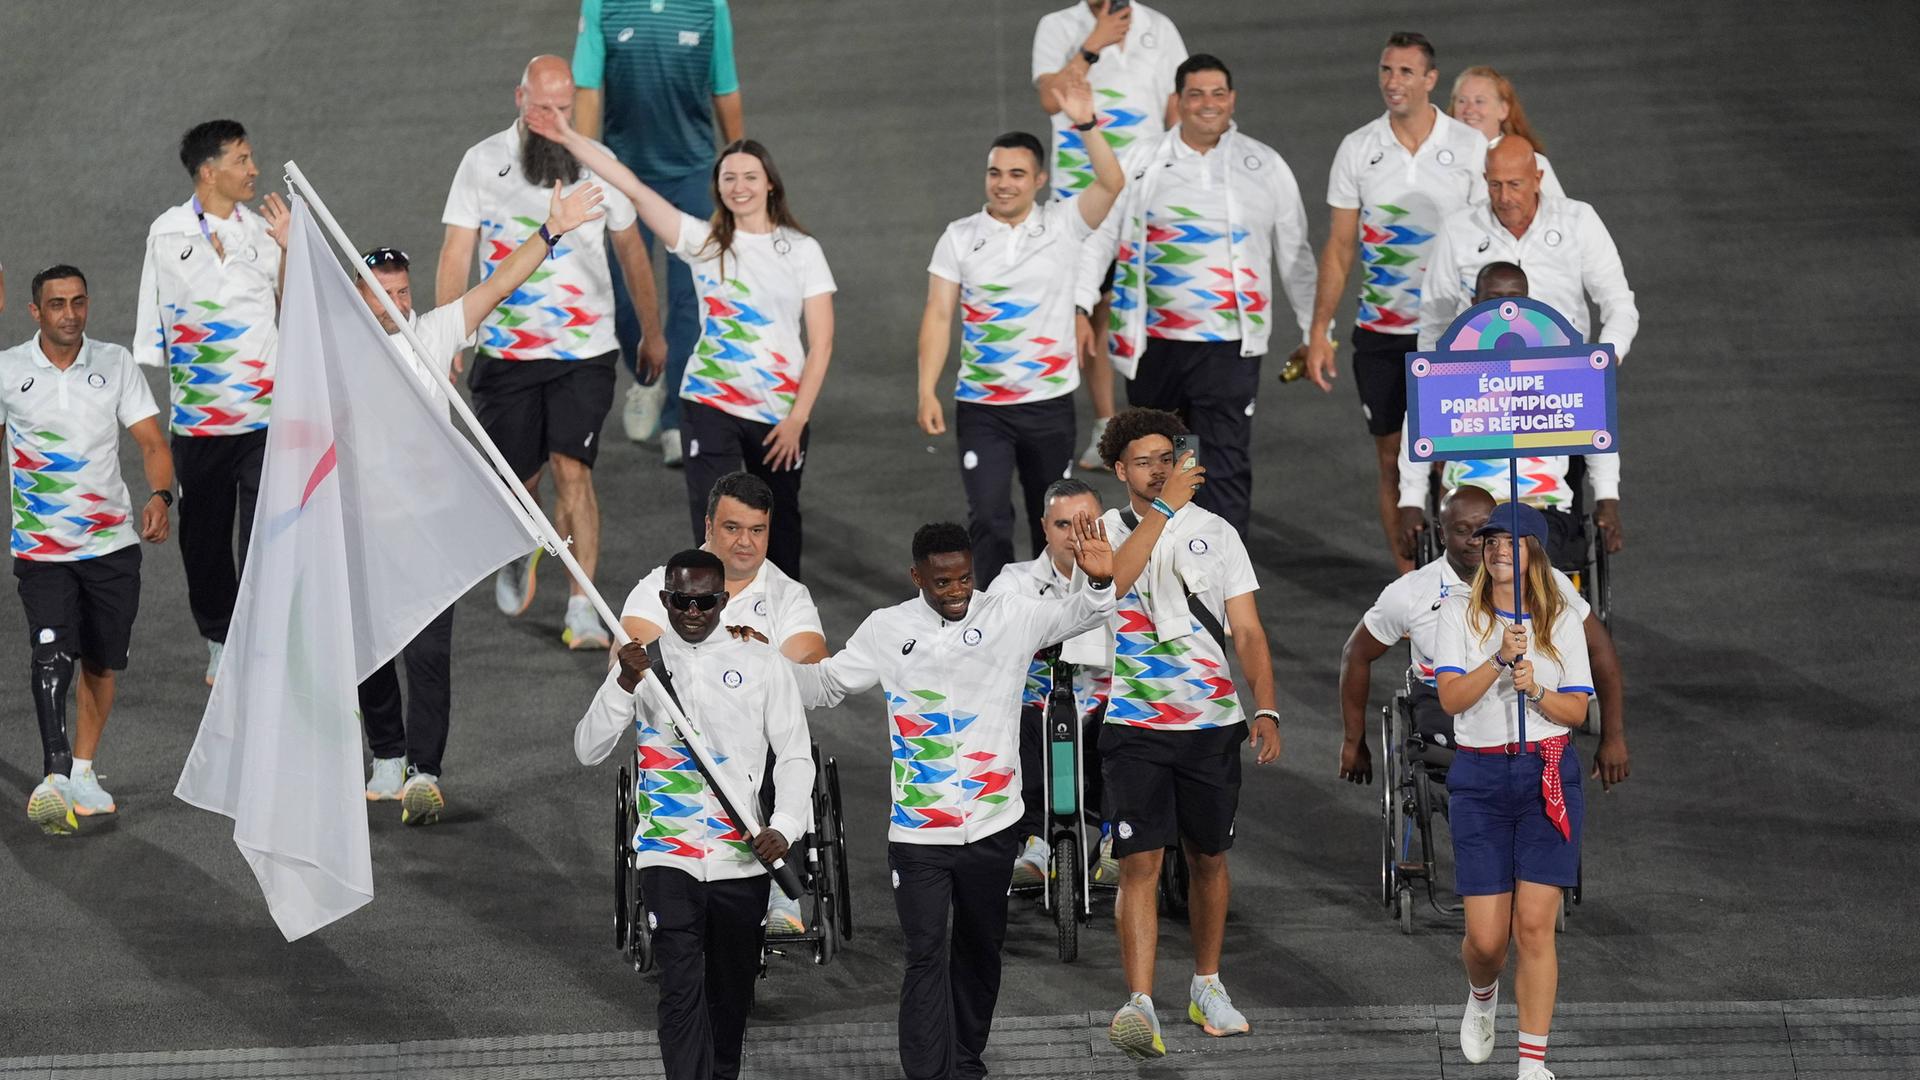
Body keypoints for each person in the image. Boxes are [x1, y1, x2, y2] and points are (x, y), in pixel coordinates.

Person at [792, 519, 1119, 1080]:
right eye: (941, 583)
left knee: (978, 951)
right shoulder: (886, 629)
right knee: (923, 955)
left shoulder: (1008, 615)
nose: (956, 592)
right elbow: (825, 685)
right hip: (919, 836)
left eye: (964, 579)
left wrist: (1097, 582)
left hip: (993, 828)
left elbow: (1082, 616)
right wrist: (758, 669)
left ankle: (964, 1061)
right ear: (916, 577)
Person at [352, 180, 607, 824]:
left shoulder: (432, 336)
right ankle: (386, 755)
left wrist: (549, 233)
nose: (399, 300)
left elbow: (497, 286)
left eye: (405, 289)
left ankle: (424, 772)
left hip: (430, 530)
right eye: (384, 290)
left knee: (429, 654)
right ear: (359, 295)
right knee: (370, 650)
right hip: (363, 531)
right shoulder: (340, 353)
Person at [527, 108, 834, 580]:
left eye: (750, 176)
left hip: (779, 415)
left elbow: (823, 344)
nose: (739, 186)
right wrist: (568, 136)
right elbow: (633, 188)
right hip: (708, 403)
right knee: (716, 533)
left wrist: (797, 419)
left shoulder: (802, 250)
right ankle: (716, 634)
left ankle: (779, 638)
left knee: (781, 532)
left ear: (770, 183)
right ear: (718, 186)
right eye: (729, 177)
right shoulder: (704, 241)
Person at [437, 55, 663, 651]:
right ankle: (523, 539)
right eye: (543, 108)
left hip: (585, 351)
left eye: (565, 109)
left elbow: (633, 251)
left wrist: (652, 330)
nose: (555, 120)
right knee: (518, 480)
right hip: (507, 354)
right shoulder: (482, 162)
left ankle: (583, 606)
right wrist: (449, 330)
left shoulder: (599, 163)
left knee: (574, 471)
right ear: (519, 98)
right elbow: (458, 251)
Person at [574, 549, 813, 1080]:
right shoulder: (642, 665)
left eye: (706, 601)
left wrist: (786, 826)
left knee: (729, 999)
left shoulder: (762, 663)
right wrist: (622, 684)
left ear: (724, 601)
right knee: (680, 990)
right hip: (668, 853)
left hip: (742, 859)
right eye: (682, 600)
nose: (694, 611)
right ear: (665, 600)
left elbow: (796, 755)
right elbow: (586, 749)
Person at [1090, 406, 1280, 1057]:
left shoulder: (1218, 533)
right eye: (1143, 461)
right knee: (1139, 864)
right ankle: (1140, 1001)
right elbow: (1112, 581)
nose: (1158, 469)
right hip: (1135, 725)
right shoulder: (1101, 532)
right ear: (1120, 470)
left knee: (1208, 858)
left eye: (1167, 458)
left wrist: (1267, 707)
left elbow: (1247, 630)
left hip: (1210, 727)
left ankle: (1206, 985)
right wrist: (1164, 512)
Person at [1076, 53, 1317, 538]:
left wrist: (1316, 331)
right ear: (1178, 101)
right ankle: (1159, 574)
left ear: (1232, 100)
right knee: (1155, 467)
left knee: (1222, 468)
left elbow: (1295, 253)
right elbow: (1101, 234)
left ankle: (1224, 591)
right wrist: (1080, 303)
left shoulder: (1264, 165)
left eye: (1218, 94)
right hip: (1154, 345)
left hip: (1228, 348)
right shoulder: (1142, 160)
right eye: (1196, 94)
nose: (1208, 104)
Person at [917, 76, 1125, 588]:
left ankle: (1057, 627)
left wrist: (1086, 123)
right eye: (994, 173)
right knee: (988, 519)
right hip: (982, 409)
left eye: (1016, 173)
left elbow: (1112, 183)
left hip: (1048, 405)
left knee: (1052, 521)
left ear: (1039, 179)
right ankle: (993, 622)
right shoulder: (959, 237)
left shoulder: (1063, 223)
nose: (1003, 183)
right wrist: (926, 388)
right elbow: (939, 315)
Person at [1301, 32, 1488, 572]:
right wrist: (1320, 331)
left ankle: (1464, 577)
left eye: (1406, 72)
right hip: (1380, 334)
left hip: (1454, 336)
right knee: (1390, 461)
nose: (1393, 82)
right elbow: (1339, 248)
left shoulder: (1470, 148)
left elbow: (1485, 243)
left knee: (1449, 462)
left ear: (1431, 81)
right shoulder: (1358, 148)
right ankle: (1412, 587)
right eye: (1386, 70)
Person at [620, 469, 826, 932]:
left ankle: (777, 881)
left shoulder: (788, 596)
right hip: (679, 743)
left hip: (750, 737)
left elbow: (811, 667)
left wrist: (755, 656)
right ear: (709, 526)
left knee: (776, 741)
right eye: (732, 528)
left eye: (758, 530)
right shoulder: (663, 587)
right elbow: (630, 658)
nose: (746, 543)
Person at [5, 266, 173, 833]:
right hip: (42, 551)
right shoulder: (7, 372)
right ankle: (53, 774)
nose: (70, 314)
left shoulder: (115, 364)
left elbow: (151, 441)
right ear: (36, 312)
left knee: (102, 662)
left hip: (111, 548)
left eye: (78, 301)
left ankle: (82, 769)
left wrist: (160, 495)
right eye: (57, 304)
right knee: (50, 650)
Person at [1433, 501, 1593, 1080]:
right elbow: (1450, 700)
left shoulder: (1564, 620)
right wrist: (1501, 660)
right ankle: (1481, 994)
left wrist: (1537, 693)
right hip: (1479, 778)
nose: (1500, 548)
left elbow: (1576, 709)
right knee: (1485, 939)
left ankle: (1532, 1065)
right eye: (1493, 539)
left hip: (1546, 772)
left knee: (1533, 925)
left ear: (1534, 555)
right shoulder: (1458, 615)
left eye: (1514, 541)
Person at [1336, 484, 1629, 794]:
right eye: (1463, 530)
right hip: (1446, 710)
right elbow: (1356, 653)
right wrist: (1354, 742)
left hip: (1526, 701)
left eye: (1486, 531)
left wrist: (1613, 736)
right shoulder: (1411, 593)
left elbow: (1599, 647)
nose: (1477, 541)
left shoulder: (1547, 583)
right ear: (1442, 534)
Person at [133, 119, 290, 686]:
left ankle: (259, 638)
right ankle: (220, 640)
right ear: (209, 171)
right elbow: (153, 332)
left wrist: (290, 248)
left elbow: (292, 310)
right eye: (243, 160)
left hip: (264, 419)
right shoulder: (167, 233)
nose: (254, 170)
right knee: (203, 543)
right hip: (198, 426)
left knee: (264, 538)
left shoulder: (267, 230)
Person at [572, 0, 743, 464]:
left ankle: (675, 419)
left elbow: (724, 88)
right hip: (624, 175)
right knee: (622, 299)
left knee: (691, 300)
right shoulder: (603, 5)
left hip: (691, 174)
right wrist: (586, 167)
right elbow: (586, 89)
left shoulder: (709, 7)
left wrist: (739, 165)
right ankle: (648, 378)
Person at [1030, 0, 1188, 470]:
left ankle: (1168, 430)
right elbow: (1049, 98)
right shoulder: (1057, 26)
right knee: (1091, 307)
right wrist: (1091, 46)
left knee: (1158, 302)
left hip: (1145, 194)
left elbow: (1176, 107)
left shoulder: (1161, 28)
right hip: (1083, 196)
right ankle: (1107, 425)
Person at [1400, 260, 1629, 572]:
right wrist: (1410, 503)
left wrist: (1608, 501)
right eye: (1494, 298)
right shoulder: (1447, 369)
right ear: (1473, 303)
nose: (1504, 306)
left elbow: (1598, 434)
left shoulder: (1561, 367)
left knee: (1518, 557)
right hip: (1472, 514)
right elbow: (1416, 431)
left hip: (1542, 509)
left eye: (1515, 298)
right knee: (1481, 551)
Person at [985, 477, 1115, 886]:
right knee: (1016, 719)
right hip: (1038, 712)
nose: (1075, 535)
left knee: (1128, 717)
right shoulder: (1012, 583)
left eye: (1086, 523)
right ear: (1044, 527)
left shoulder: (1124, 579)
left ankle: (1115, 841)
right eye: (1062, 525)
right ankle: (1035, 843)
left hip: (1100, 709)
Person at [1449, 66, 1565, 198]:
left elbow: (1558, 214)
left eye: (1479, 101)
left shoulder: (1532, 163)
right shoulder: (1432, 160)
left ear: (1503, 110)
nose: (1469, 110)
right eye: (1461, 101)